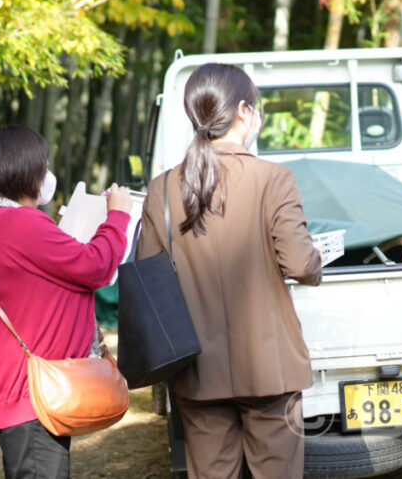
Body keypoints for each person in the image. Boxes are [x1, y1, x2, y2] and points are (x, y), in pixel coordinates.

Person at [133, 63, 322, 479]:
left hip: (197, 369)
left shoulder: (162, 188)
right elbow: (301, 264)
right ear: (243, 111)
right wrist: (316, 257)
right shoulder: (274, 178)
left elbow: (150, 277)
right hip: (270, 368)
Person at [0, 125, 134, 479]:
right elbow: (96, 265)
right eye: (44, 166)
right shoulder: (20, 223)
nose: (48, 175)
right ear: (24, 170)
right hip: (27, 391)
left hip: (16, 386)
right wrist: (117, 215)